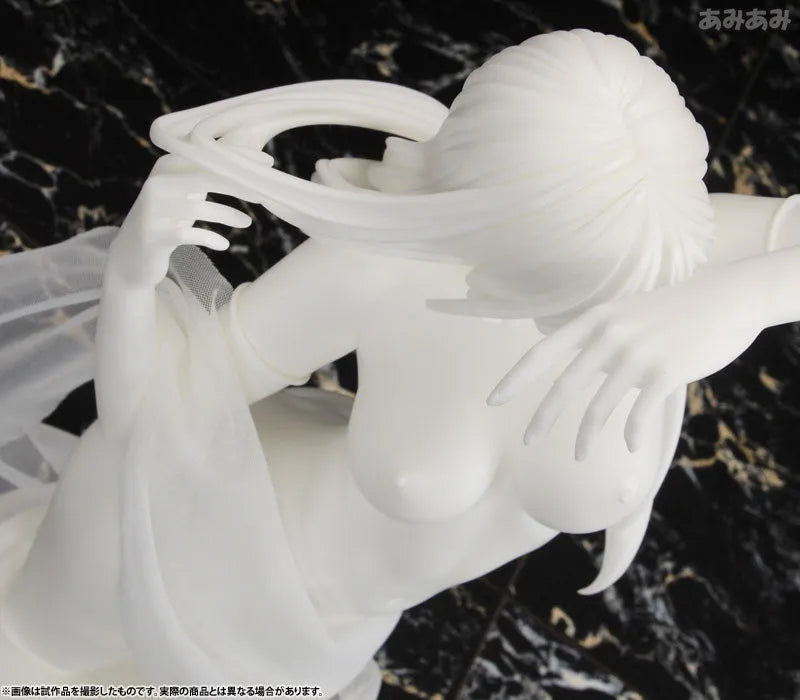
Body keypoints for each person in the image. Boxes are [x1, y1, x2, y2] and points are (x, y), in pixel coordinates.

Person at [0, 28, 794, 696]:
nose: (601, 307)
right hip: (168, 541)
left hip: (322, 632)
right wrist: (132, 278)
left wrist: (740, 300)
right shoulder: (389, 262)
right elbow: (145, 410)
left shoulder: (652, 233)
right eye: (567, 282)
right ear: (488, 233)